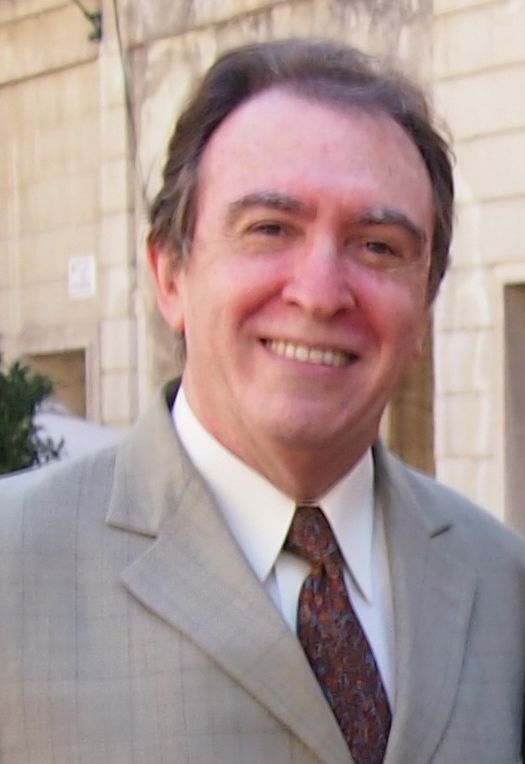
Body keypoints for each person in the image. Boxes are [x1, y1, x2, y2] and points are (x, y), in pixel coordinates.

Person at [0, 38, 524, 764]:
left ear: (423, 310)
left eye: (377, 246)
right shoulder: (14, 566)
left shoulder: (504, 584)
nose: (320, 293)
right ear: (170, 275)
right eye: (270, 229)